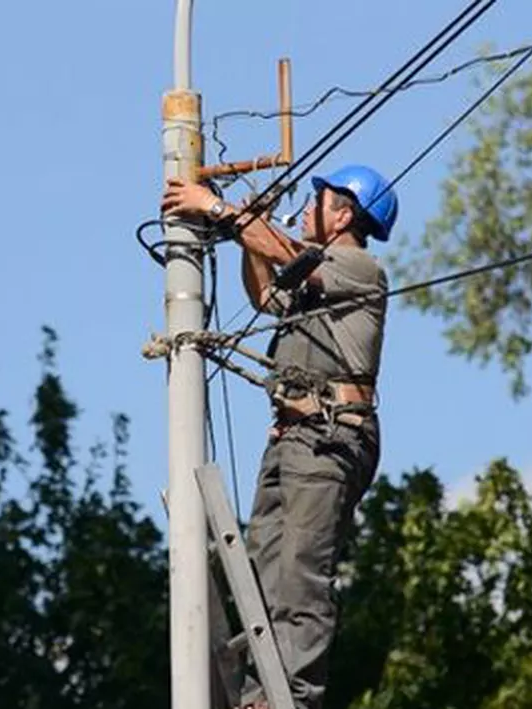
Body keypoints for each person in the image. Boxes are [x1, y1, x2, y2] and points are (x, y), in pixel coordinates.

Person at [161, 164, 397, 709]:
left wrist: (223, 211)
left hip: (330, 437)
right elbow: (267, 294)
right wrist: (252, 231)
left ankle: (293, 695)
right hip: (294, 436)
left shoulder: (358, 266)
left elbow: (288, 257)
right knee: (265, 565)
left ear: (344, 214)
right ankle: (261, 694)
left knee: (300, 570)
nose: (309, 209)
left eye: (319, 201)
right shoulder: (315, 283)